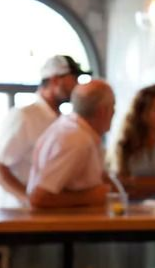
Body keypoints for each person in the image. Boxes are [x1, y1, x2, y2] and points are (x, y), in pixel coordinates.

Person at [0, 54, 82, 208]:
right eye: (73, 78)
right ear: (55, 80)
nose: (76, 85)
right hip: (18, 217)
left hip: (48, 215)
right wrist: (29, 200)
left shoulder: (63, 120)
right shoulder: (24, 116)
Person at [27, 79, 116, 210]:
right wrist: (90, 197)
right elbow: (39, 198)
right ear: (103, 111)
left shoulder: (75, 130)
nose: (114, 112)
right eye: (113, 107)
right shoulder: (77, 140)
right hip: (60, 228)